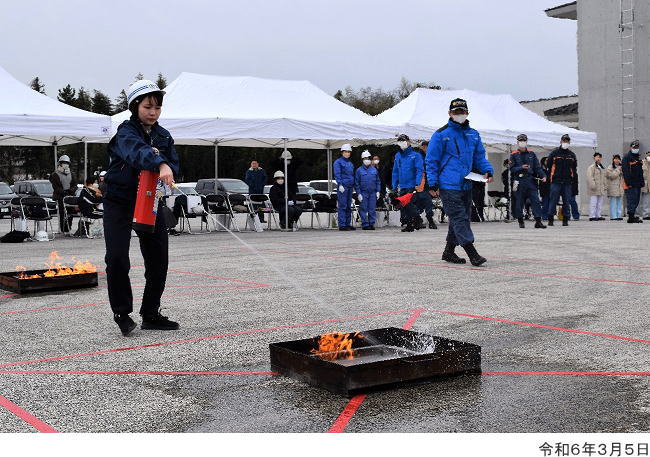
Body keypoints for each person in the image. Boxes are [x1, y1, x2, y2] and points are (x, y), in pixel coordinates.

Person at [103, 79, 180, 336]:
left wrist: (168, 167)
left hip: (150, 201)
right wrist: (159, 162)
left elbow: (173, 164)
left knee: (159, 259)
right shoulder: (125, 133)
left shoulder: (164, 135)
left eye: (158, 108)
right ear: (135, 106)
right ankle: (122, 313)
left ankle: (150, 313)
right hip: (119, 200)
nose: (153, 112)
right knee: (117, 258)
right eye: (148, 106)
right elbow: (136, 152)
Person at [426, 98, 494, 266]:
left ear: (467, 113)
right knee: (459, 217)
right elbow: (431, 160)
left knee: (459, 219)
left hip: (466, 182)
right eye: (456, 112)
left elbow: (479, 156)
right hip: (448, 184)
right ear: (450, 113)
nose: (459, 115)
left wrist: (488, 169)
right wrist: (432, 183)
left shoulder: (474, 134)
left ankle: (448, 252)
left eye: (462, 112)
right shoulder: (441, 135)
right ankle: (473, 254)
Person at [509, 134, 546, 229]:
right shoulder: (513, 155)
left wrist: (543, 175)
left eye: (524, 140)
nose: (522, 142)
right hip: (519, 180)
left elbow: (537, 167)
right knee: (519, 201)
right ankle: (520, 220)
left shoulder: (531, 154)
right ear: (517, 142)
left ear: (526, 141)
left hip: (530, 180)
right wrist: (521, 167)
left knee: (535, 200)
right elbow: (512, 169)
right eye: (520, 141)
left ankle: (538, 221)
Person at [392, 134, 423, 232]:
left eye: (403, 140)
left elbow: (419, 170)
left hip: (411, 184)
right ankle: (409, 224)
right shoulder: (398, 156)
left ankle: (417, 218)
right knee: (403, 205)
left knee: (409, 203)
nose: (402, 142)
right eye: (400, 141)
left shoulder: (415, 155)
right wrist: (394, 185)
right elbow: (395, 171)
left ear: (409, 142)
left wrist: (417, 183)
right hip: (402, 184)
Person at [546, 134, 577, 227]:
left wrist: (573, 180)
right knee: (553, 200)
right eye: (564, 141)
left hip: (567, 182)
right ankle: (550, 218)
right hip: (556, 181)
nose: (565, 143)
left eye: (567, 141)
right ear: (560, 142)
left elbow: (574, 169)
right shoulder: (554, 153)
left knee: (566, 201)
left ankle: (565, 219)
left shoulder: (572, 155)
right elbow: (549, 165)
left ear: (569, 142)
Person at [49, 154, 77, 233]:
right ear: (60, 163)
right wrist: (63, 192)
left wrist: (71, 191)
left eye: (67, 163)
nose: (65, 164)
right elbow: (55, 187)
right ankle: (62, 228)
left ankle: (68, 228)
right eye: (64, 162)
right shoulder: (55, 174)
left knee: (70, 213)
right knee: (62, 213)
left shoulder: (72, 174)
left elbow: (75, 185)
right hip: (60, 197)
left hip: (70, 196)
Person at [355, 150, 381, 230]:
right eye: (365, 158)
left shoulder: (374, 170)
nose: (367, 160)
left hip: (372, 193)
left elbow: (378, 181)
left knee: (372, 208)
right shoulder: (359, 170)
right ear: (362, 159)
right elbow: (357, 183)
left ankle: (371, 223)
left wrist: (378, 191)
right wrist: (358, 193)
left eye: (368, 158)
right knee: (363, 208)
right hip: (363, 193)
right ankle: (365, 224)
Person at [414, 140, 437, 229]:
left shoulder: (428, 156)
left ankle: (428, 220)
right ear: (423, 147)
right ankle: (418, 220)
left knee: (427, 203)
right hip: (420, 184)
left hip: (426, 185)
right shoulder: (418, 157)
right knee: (420, 204)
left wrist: (433, 187)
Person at [621, 140, 645, 223]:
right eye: (634, 147)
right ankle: (631, 218)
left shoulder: (637, 158)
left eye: (637, 147)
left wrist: (642, 183)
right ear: (631, 147)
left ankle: (633, 216)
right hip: (631, 184)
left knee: (636, 200)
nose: (636, 149)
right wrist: (628, 183)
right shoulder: (627, 158)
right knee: (631, 200)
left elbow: (640, 172)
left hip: (637, 184)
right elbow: (625, 171)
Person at [334, 144, 355, 231]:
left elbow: (351, 175)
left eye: (349, 152)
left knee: (348, 206)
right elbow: (337, 174)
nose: (348, 153)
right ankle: (342, 224)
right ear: (342, 152)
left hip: (350, 186)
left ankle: (347, 223)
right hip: (343, 186)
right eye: (346, 152)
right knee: (342, 205)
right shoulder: (338, 162)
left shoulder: (350, 163)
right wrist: (340, 184)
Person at [586, 152, 607, 221]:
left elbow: (604, 178)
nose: (598, 158)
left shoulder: (601, 167)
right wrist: (593, 185)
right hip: (594, 188)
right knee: (593, 203)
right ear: (594, 158)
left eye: (600, 157)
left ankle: (598, 215)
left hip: (600, 188)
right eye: (597, 157)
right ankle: (592, 215)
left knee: (599, 203)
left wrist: (605, 186)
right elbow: (590, 177)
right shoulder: (591, 167)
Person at [606, 154, 624, 221]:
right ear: (613, 160)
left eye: (618, 159)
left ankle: (619, 215)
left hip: (620, 187)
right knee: (613, 202)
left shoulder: (622, 167)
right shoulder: (610, 167)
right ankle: (613, 216)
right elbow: (611, 176)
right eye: (615, 159)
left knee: (619, 202)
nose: (617, 160)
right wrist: (618, 169)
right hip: (613, 187)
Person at [640, 151, 650, 220]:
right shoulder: (642, 162)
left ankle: (646, 215)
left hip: (649, 185)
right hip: (642, 184)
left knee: (647, 201)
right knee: (638, 200)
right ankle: (636, 214)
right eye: (648, 154)